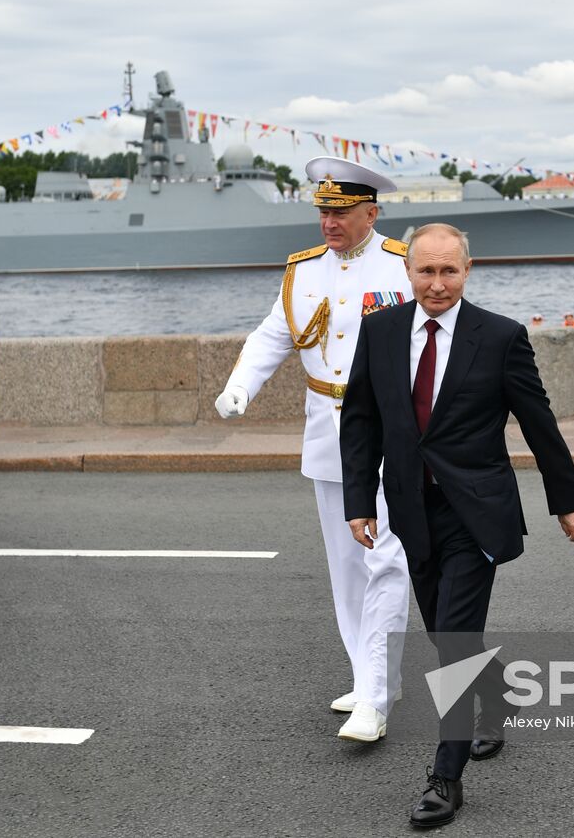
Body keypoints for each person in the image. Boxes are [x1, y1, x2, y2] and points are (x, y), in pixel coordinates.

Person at [340, 223, 574, 828]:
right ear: (408, 273)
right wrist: (359, 503)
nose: (437, 283)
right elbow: (362, 421)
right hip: (411, 510)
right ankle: (496, 690)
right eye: (426, 271)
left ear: (468, 270)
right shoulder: (379, 332)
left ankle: (445, 780)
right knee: (446, 634)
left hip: (477, 512)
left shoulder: (501, 337)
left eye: (449, 271)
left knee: (452, 641)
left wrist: (568, 499)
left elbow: (538, 422)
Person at [215, 156, 413, 744]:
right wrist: (240, 385)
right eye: (323, 211)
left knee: (386, 559)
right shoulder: (301, 272)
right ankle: (368, 675)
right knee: (346, 570)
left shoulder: (403, 267)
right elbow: (273, 335)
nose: (328, 222)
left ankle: (375, 698)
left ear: (370, 213)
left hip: (387, 431)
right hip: (328, 432)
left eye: (341, 212)